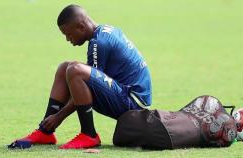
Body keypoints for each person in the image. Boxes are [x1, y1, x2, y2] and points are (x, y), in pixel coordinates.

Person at [12, 4, 152, 149]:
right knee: (64, 68)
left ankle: (89, 134)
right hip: (125, 94)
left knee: (75, 70)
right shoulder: (103, 32)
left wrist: (59, 117)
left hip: (133, 103)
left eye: (69, 34)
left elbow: (88, 83)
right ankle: (45, 131)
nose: (67, 39)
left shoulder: (99, 43)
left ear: (81, 27)